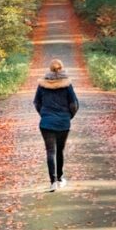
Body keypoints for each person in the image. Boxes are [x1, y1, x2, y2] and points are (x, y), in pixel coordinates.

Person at [34, 57, 79, 192]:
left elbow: (37, 103)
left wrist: (44, 115)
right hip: (63, 123)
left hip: (46, 123)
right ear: (62, 68)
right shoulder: (67, 85)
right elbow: (74, 104)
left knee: (50, 151)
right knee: (59, 150)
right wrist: (68, 117)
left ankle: (53, 182)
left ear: (50, 69)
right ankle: (59, 178)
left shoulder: (42, 85)